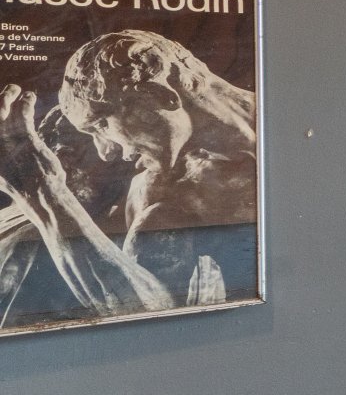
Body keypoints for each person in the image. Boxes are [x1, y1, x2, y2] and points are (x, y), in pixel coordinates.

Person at [0, 29, 259, 329]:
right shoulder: (161, 195)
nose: (105, 152)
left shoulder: (289, 120)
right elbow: (148, 317)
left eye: (100, 125)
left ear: (161, 95)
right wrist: (45, 193)